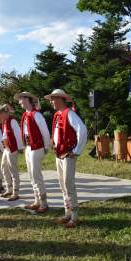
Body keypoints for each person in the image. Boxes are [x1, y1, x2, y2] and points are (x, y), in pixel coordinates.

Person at [45, 89, 87, 228]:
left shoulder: (69, 113)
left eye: (53, 99)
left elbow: (82, 129)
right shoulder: (57, 115)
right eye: (50, 99)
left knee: (69, 185)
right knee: (63, 186)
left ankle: (75, 217)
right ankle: (67, 213)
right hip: (60, 154)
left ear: (60, 99)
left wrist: (76, 151)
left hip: (68, 154)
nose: (51, 102)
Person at [15, 91, 51, 213]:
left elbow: (45, 132)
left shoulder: (37, 115)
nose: (19, 101)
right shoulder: (25, 115)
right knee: (31, 175)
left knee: (36, 175)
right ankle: (37, 201)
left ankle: (44, 203)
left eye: (21, 99)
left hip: (37, 147)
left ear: (27, 100)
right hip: (29, 147)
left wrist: (46, 147)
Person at [0, 104, 23, 201]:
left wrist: (20, 148)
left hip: (12, 149)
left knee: (13, 170)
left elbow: (18, 134)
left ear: (2, 113)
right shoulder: (5, 122)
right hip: (7, 148)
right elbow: (4, 135)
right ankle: (9, 189)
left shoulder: (12, 121)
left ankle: (15, 192)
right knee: (3, 167)